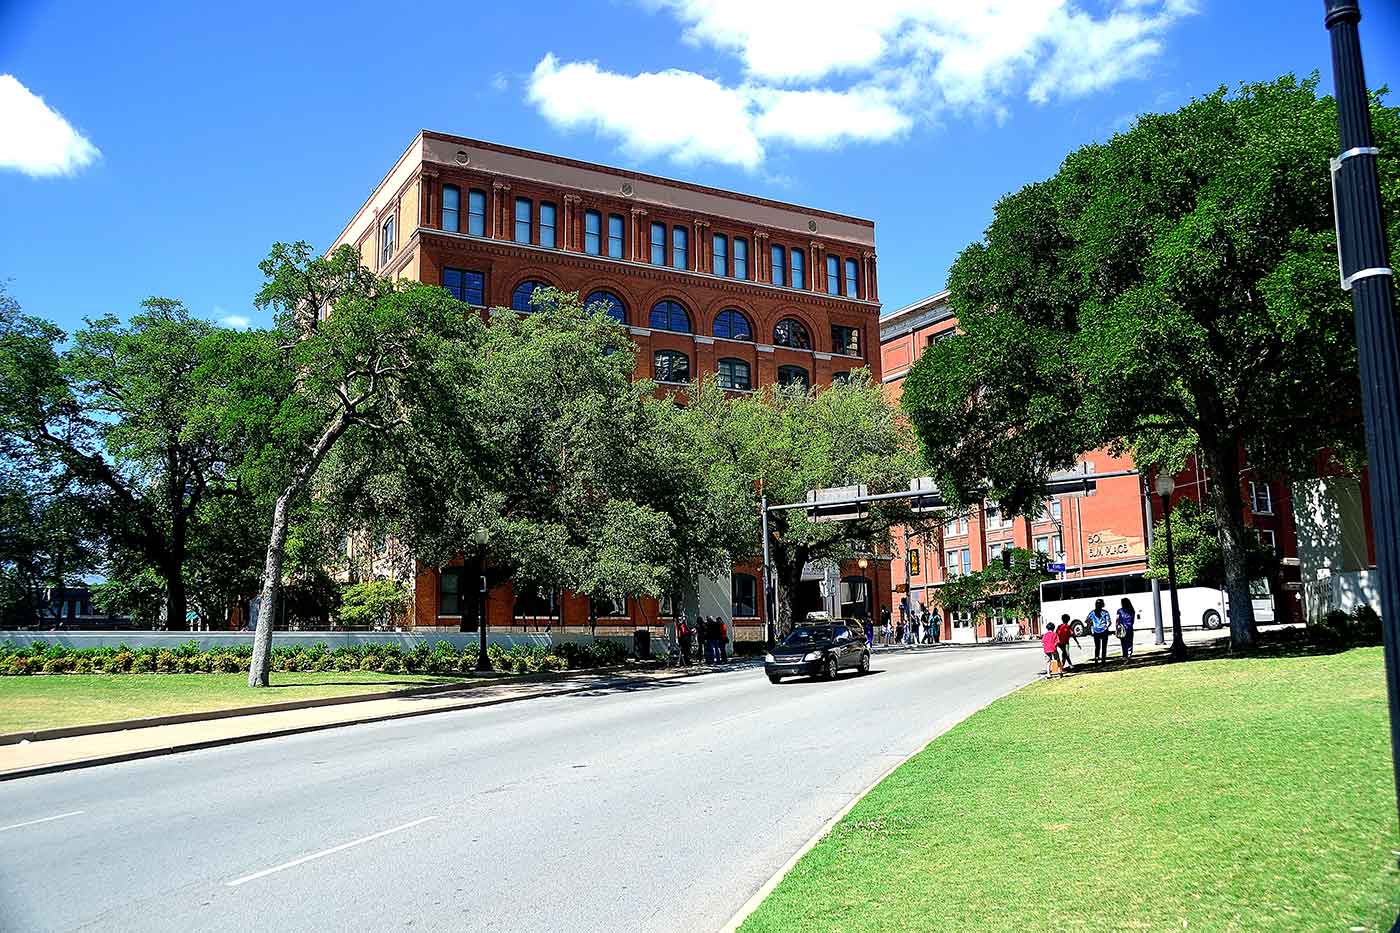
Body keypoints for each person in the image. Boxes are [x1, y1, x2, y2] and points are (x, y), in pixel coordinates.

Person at [1087, 598, 1112, 664]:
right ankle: (1103, 660)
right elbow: (1109, 622)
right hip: (1104, 631)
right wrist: (1106, 626)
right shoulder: (1105, 612)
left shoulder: (1092, 613)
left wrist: (1090, 629)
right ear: (1102, 605)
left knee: (1097, 647)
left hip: (1096, 631)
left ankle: (1096, 659)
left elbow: (1087, 621)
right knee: (1104, 647)